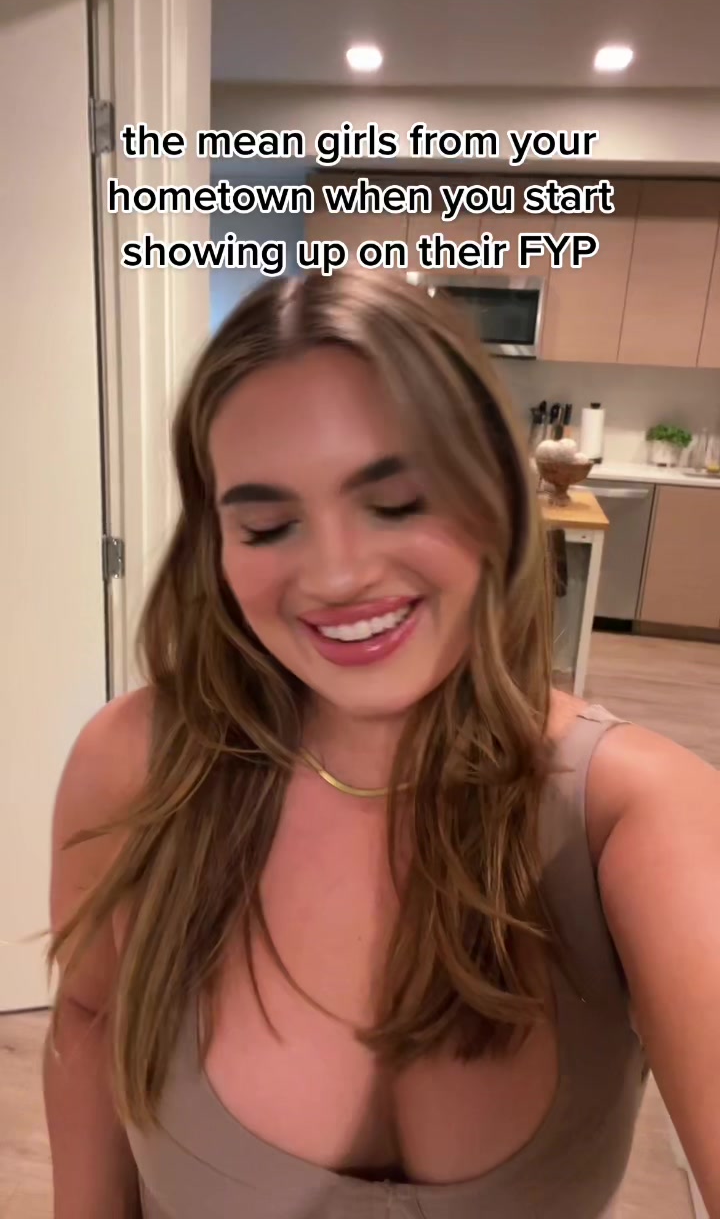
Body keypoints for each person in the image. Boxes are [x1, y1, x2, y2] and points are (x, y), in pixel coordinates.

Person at [45, 268, 720, 1219]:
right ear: (215, 544)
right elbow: (88, 1013)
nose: (336, 574)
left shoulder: (639, 816)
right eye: (268, 524)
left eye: (398, 502)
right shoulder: (135, 766)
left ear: (496, 496)